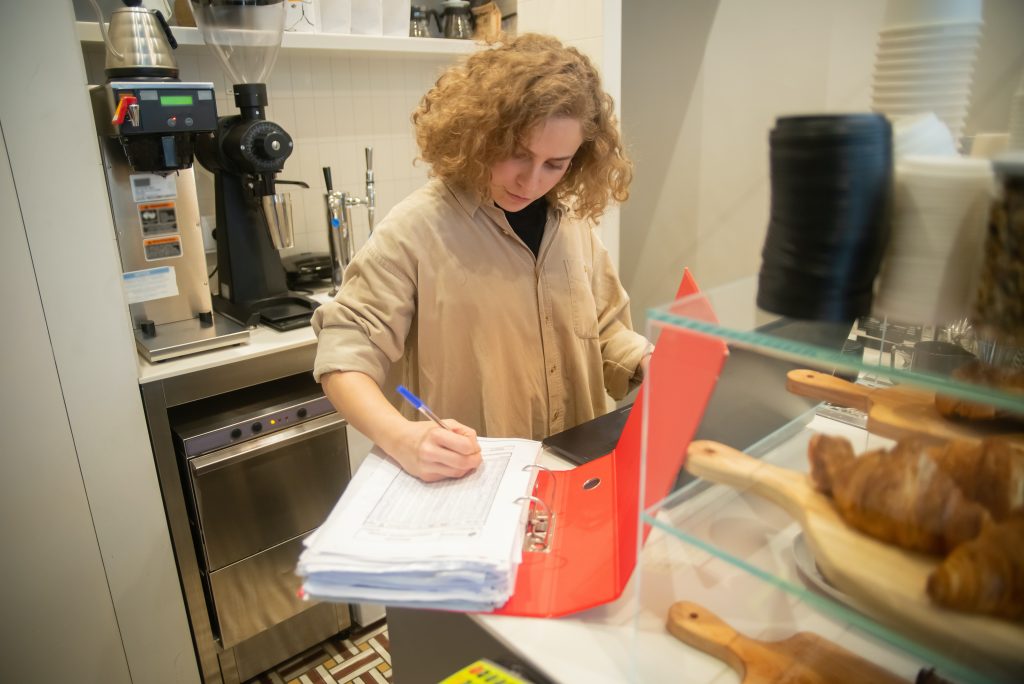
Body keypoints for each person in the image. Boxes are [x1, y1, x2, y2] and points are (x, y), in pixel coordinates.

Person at [312, 33, 652, 482]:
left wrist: (651, 360)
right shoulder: (416, 229)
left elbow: (605, 330)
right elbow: (344, 355)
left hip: (573, 472)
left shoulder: (573, 226)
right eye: (518, 155)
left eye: (556, 164)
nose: (531, 181)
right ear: (481, 135)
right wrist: (401, 437)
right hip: (473, 483)